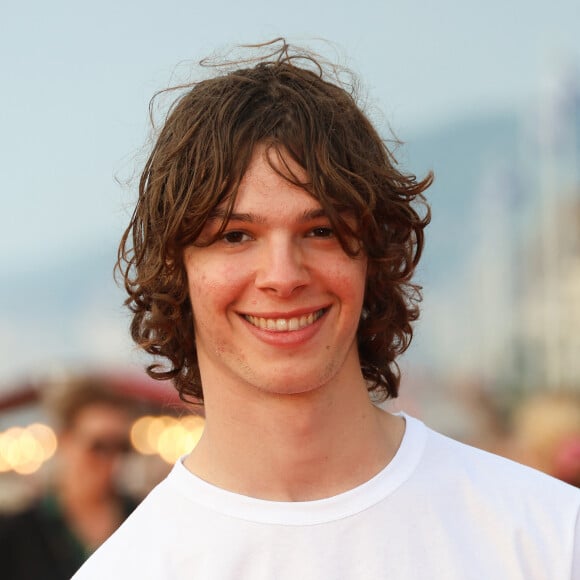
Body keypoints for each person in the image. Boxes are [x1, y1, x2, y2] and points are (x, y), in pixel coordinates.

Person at [74, 39, 580, 579]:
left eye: (321, 230)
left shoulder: (548, 535)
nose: (284, 276)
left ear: (374, 256)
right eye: (235, 235)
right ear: (177, 268)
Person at [0, 375, 138, 579]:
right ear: (66, 440)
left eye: (122, 447)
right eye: (99, 446)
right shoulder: (15, 533)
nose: (113, 460)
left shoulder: (142, 519)